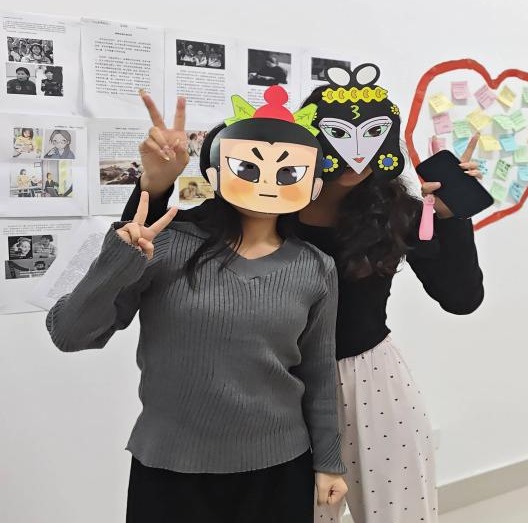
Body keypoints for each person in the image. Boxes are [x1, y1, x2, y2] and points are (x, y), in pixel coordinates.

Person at [126, 63, 484, 523]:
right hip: (278, 385)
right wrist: (155, 186)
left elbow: (461, 298)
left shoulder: (398, 211)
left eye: (372, 134)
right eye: (339, 134)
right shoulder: (267, 201)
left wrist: (452, 216)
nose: (357, 152)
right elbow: (156, 238)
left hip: (369, 379)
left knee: (400, 512)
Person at [47, 85, 348, 523]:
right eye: (248, 167)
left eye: (288, 173)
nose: (267, 183)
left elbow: (318, 374)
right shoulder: (166, 245)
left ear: (313, 185)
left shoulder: (316, 266)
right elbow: (69, 333)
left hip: (280, 468)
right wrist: (121, 254)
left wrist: (329, 461)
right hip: (171, 469)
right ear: (214, 171)